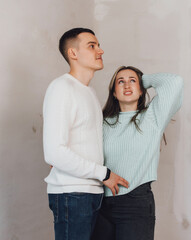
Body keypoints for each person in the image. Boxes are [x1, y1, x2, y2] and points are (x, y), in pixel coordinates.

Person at [43, 28, 129, 240]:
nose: (100, 50)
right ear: (73, 53)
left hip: (91, 192)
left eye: (98, 45)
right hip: (72, 194)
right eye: (92, 46)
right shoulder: (61, 87)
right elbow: (54, 153)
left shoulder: (89, 92)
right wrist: (105, 174)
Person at [91, 66, 183, 240]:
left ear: (141, 90)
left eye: (132, 81)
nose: (127, 86)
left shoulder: (152, 116)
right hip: (100, 203)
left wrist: (143, 80)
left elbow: (175, 82)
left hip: (135, 204)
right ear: (114, 93)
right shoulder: (102, 123)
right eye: (121, 82)